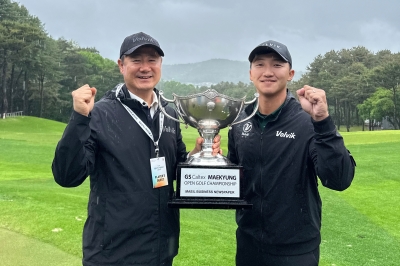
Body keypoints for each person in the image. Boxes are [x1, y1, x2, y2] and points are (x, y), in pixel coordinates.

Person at [52, 32, 221, 266]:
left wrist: (198, 155)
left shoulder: (169, 113)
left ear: (160, 64)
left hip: (162, 250)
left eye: (152, 60)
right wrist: (80, 118)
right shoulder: (100, 113)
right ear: (121, 65)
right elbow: (67, 176)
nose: (145, 67)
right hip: (112, 253)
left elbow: (176, 168)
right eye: (136, 60)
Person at [227, 40, 356, 266]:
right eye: (260, 65)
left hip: (296, 251)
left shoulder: (307, 122)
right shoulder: (240, 121)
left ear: (291, 74)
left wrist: (323, 122)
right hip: (249, 246)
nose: (267, 72)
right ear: (250, 73)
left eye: (277, 65)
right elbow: (234, 181)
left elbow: (338, 179)